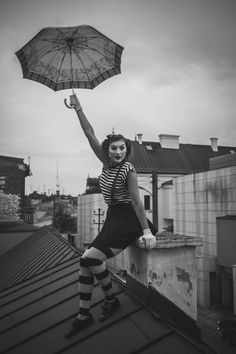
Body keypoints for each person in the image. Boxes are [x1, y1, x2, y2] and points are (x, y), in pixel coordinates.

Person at [65, 94, 156, 338]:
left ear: (127, 150)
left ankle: (110, 298)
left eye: (122, 148)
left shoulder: (128, 169)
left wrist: (146, 230)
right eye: (114, 148)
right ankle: (83, 315)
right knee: (85, 260)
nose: (118, 151)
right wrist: (78, 108)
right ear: (108, 150)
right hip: (113, 217)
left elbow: (137, 202)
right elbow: (89, 133)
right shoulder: (105, 163)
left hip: (128, 220)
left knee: (91, 259)